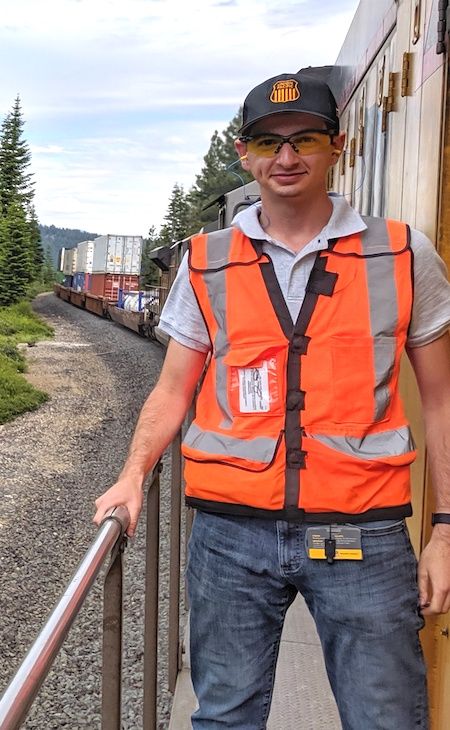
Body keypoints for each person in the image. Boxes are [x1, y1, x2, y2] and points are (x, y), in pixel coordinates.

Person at [94, 71, 450, 729]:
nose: (286, 158)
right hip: (230, 535)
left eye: (304, 139)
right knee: (224, 716)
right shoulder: (206, 261)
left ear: (335, 146)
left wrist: (445, 530)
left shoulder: (402, 254)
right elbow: (174, 388)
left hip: (362, 532)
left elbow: (441, 401)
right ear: (244, 153)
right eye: (268, 142)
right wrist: (131, 477)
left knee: (389, 718)